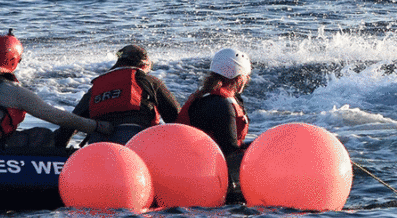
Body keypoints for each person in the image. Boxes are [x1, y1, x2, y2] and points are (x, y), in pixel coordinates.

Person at [0, 30, 113, 149]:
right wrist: (96, 126)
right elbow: (54, 115)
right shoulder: (8, 88)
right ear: (13, 60)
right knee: (43, 134)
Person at [53, 44, 182, 146]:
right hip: (136, 143)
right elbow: (177, 118)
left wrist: (58, 152)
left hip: (99, 144)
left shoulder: (97, 86)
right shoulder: (150, 81)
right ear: (144, 64)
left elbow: (71, 123)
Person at [177, 47, 252, 202]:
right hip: (205, 171)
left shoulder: (203, 96)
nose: (247, 80)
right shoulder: (221, 104)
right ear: (238, 78)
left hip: (190, 165)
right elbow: (229, 149)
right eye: (246, 76)